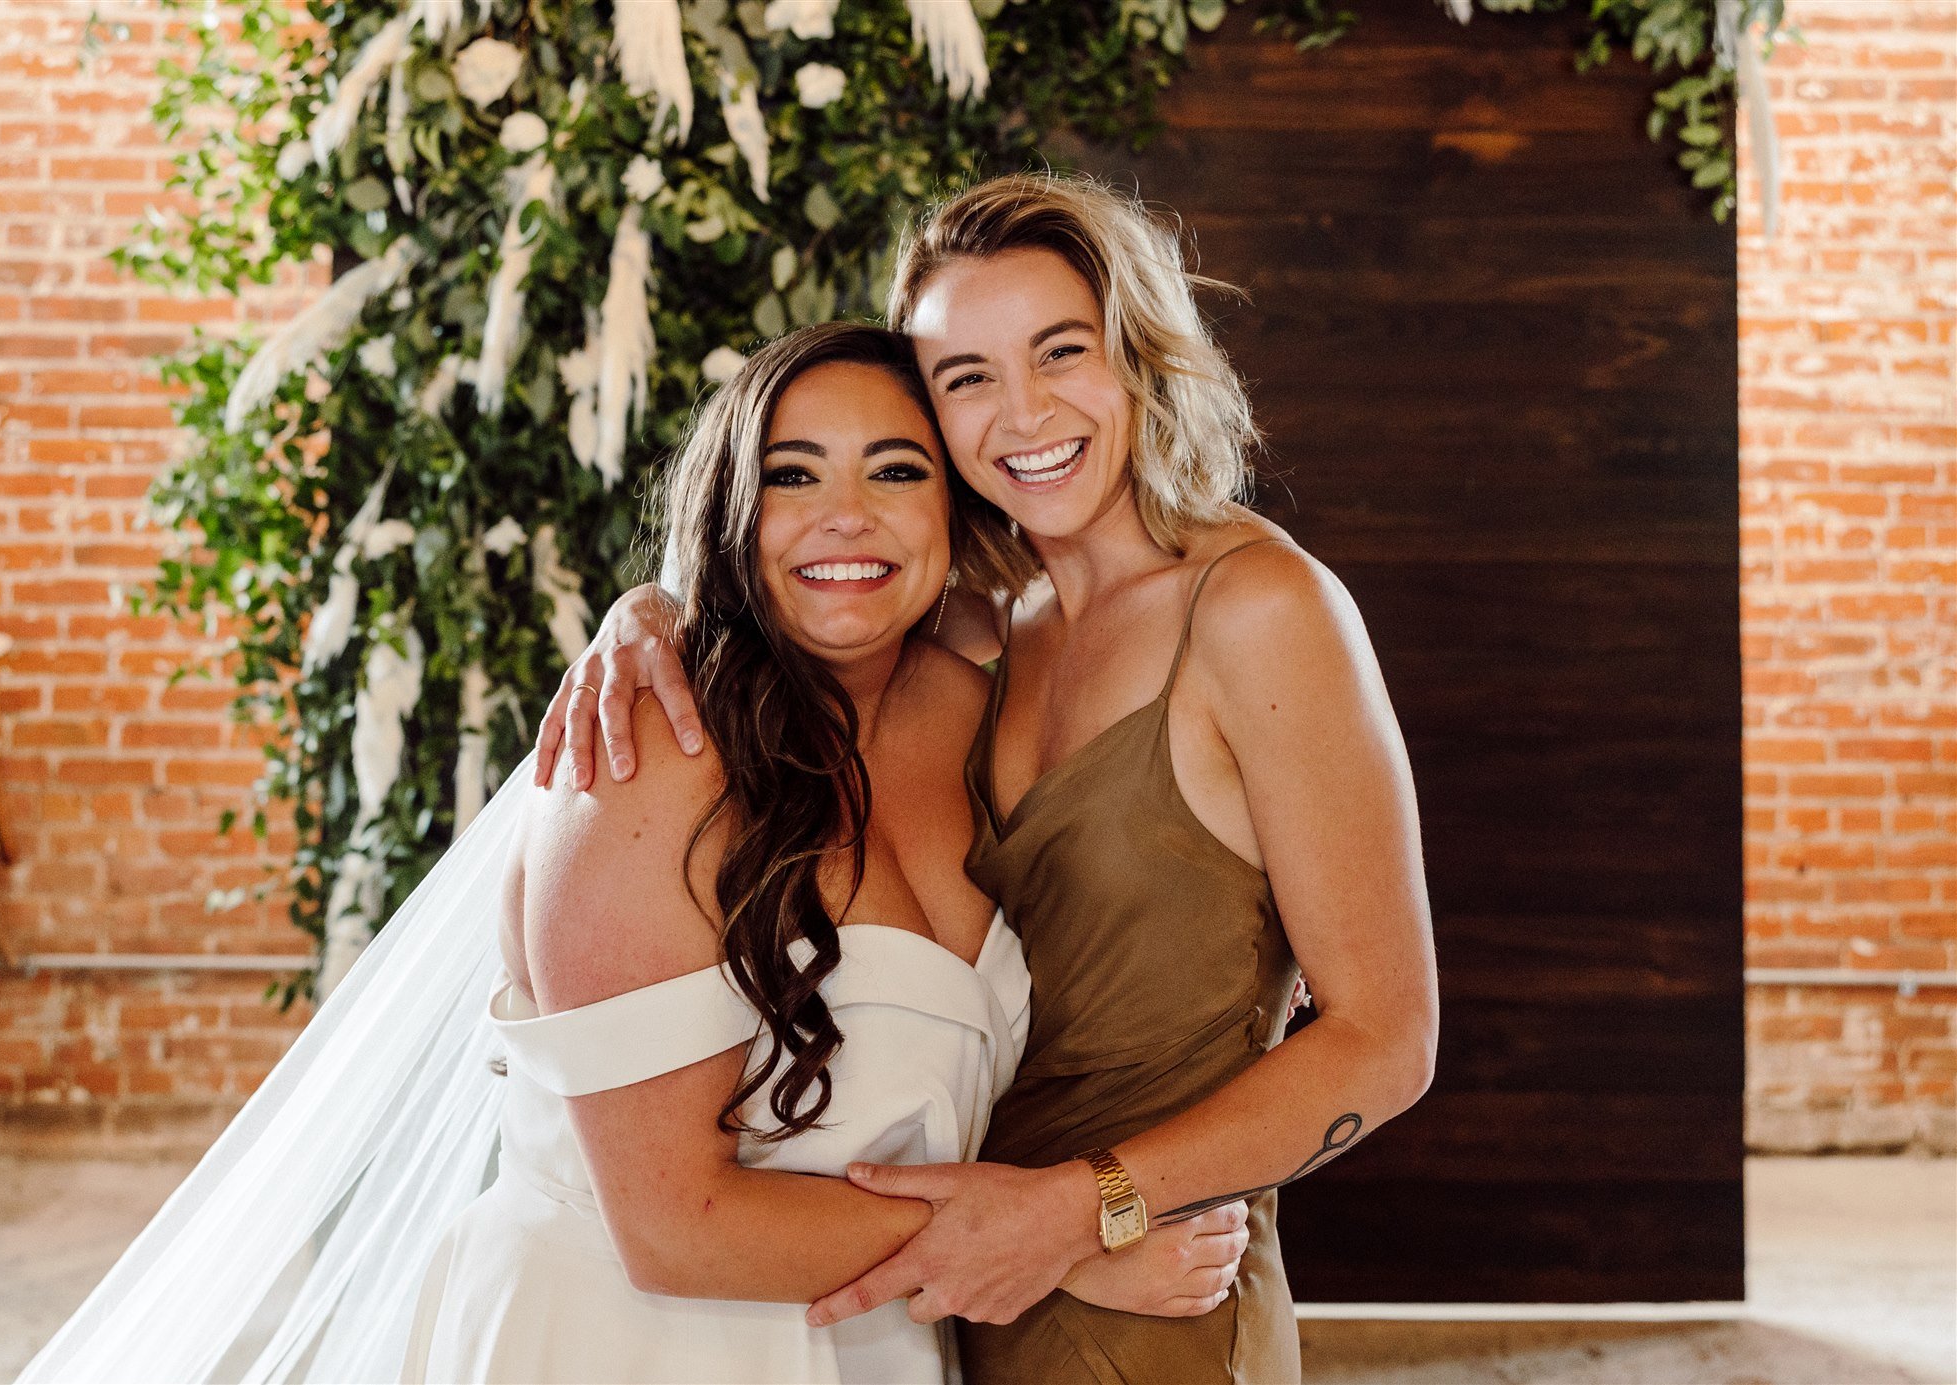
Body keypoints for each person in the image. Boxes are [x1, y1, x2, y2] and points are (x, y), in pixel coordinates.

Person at [18, 323, 1246, 1385]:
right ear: (729, 505)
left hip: (875, 1343)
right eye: (790, 474)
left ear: (953, 506)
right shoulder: (643, 756)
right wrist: (1060, 1246)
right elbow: (677, 1224)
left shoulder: (988, 703)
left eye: (895, 469)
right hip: (628, 1338)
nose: (845, 516)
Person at [536, 172, 1441, 1385]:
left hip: (1144, 1271)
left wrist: (1087, 1210)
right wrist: (647, 609)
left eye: (1059, 352)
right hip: (955, 1283)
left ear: (1137, 354)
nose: (1022, 412)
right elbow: (802, 568)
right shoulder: (989, 629)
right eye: (967, 378)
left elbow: (1386, 1040)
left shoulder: (1260, 610)